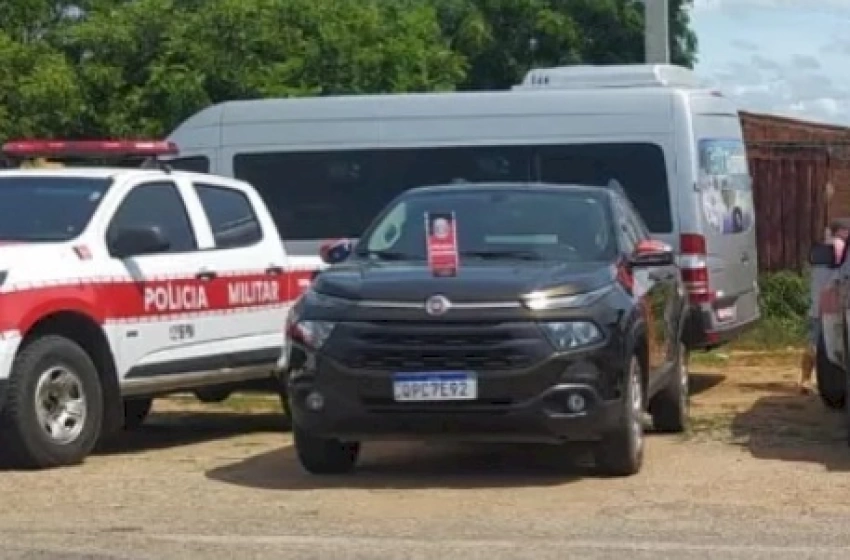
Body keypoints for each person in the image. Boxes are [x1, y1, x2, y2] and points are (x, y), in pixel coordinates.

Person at [800, 218, 850, 394]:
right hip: (831, 308)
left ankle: (805, 380)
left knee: (815, 344)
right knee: (817, 345)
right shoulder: (837, 247)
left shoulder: (825, 251)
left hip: (824, 308)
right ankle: (806, 380)